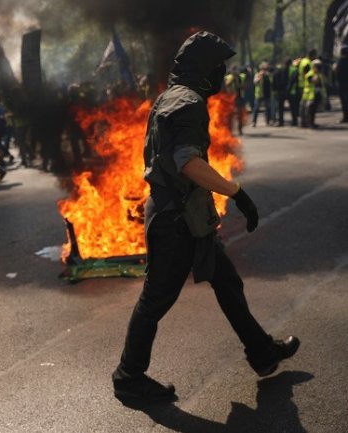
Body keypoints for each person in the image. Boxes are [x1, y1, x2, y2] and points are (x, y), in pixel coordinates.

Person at [111, 31, 300, 405]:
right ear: (203, 70)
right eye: (219, 69)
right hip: (175, 220)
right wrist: (236, 192)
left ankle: (261, 352)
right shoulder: (190, 102)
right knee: (155, 300)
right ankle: (128, 377)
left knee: (227, 281)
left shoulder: (171, 96)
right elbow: (187, 162)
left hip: (185, 215)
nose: (223, 76)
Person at [252, 62, 272, 127]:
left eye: (265, 69)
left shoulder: (268, 75)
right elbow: (255, 82)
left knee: (268, 108)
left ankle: (268, 121)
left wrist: (267, 76)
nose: (263, 70)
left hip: (266, 94)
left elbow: (271, 82)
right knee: (256, 108)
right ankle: (254, 122)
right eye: (262, 69)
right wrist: (260, 77)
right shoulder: (257, 75)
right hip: (259, 94)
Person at [334, 45, 348, 123]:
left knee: (344, 102)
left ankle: (345, 117)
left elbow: (337, 72)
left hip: (342, 85)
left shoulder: (341, 62)